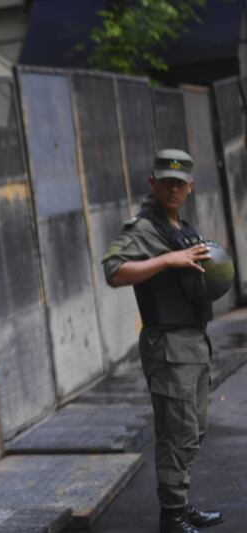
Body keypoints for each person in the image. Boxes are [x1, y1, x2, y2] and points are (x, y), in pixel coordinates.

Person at [103, 149, 224, 533]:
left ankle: (181, 503)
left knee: (193, 428)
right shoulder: (144, 229)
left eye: (180, 183)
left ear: (190, 187)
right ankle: (172, 515)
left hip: (192, 342)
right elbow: (115, 271)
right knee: (177, 432)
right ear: (152, 183)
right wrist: (167, 261)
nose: (173, 189)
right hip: (168, 346)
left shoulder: (181, 228)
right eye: (166, 182)